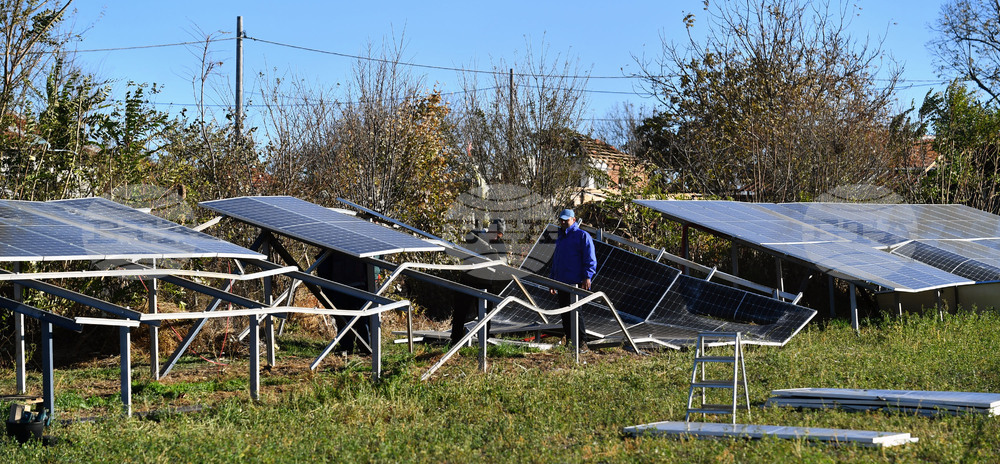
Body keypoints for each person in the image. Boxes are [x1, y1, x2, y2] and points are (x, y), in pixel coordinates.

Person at [451, 218, 508, 345]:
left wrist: (496, 256)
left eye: (500, 235)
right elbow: (469, 236)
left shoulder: (500, 243)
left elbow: (504, 261)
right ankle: (455, 340)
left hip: (485, 282)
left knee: (485, 314)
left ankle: (484, 341)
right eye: (496, 233)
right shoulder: (477, 234)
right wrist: (488, 249)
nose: (497, 237)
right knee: (460, 312)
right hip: (467, 279)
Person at [548, 208, 596, 347]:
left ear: (573, 220)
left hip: (576, 281)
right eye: (561, 220)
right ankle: (570, 341)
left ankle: (582, 342)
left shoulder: (582, 236)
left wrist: (587, 276)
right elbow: (556, 260)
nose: (563, 222)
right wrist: (552, 280)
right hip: (561, 280)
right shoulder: (560, 237)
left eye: (566, 220)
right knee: (565, 313)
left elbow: (590, 258)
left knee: (576, 312)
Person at [315, 250, 371, 354]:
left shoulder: (362, 245)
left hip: (357, 286)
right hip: (341, 285)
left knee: (360, 319)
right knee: (344, 319)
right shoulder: (335, 245)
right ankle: (348, 347)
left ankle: (364, 347)